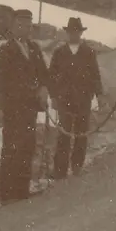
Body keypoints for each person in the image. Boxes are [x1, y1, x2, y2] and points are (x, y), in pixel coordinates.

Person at [0, 9, 49, 204]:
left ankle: (22, 191)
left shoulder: (34, 48)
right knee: (11, 149)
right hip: (12, 108)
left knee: (27, 146)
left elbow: (43, 74)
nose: (24, 29)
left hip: (30, 108)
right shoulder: (5, 50)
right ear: (13, 27)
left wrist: (43, 89)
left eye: (28, 25)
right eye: (20, 25)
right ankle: (7, 195)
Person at [46, 17, 105, 179]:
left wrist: (99, 95)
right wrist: (54, 97)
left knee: (81, 134)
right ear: (67, 33)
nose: (74, 34)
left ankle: (77, 166)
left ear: (80, 33)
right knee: (64, 135)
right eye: (71, 32)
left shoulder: (88, 52)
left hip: (83, 99)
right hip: (64, 100)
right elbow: (51, 77)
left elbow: (95, 75)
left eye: (77, 32)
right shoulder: (59, 53)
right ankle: (60, 169)